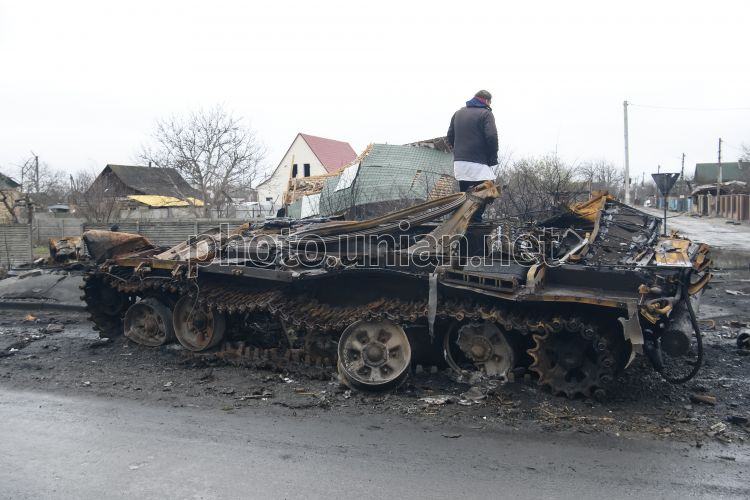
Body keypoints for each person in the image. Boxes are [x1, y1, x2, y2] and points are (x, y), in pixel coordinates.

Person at [447, 90, 498, 220]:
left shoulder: (458, 113)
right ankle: (476, 221)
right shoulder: (486, 114)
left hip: (460, 164)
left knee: (465, 196)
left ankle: (462, 221)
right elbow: (492, 136)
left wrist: (458, 152)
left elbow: (450, 136)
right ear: (487, 101)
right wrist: (492, 158)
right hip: (478, 163)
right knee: (487, 190)